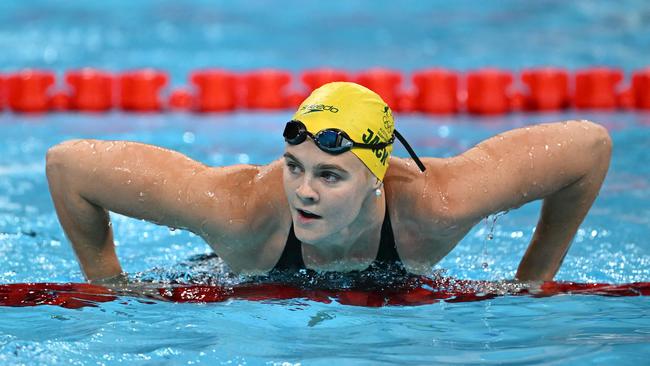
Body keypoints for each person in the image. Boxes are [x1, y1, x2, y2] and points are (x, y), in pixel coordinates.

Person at [45, 82, 612, 284]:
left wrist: (534, 280)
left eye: (329, 175)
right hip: (234, 274)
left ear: (378, 179)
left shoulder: (439, 203)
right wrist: (108, 286)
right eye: (294, 166)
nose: (304, 191)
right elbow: (68, 165)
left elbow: (589, 146)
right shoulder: (238, 213)